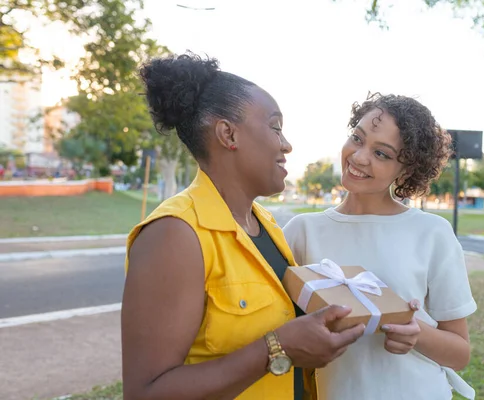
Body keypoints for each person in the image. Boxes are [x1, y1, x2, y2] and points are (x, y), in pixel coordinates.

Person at [121, 52, 365, 400]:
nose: (287, 144)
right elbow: (146, 392)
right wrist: (276, 350)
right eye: (276, 127)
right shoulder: (174, 234)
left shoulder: (265, 224)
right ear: (227, 134)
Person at [283, 93, 478, 400]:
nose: (359, 157)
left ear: (408, 168)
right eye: (357, 138)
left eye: (382, 154)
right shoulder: (300, 231)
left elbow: (460, 353)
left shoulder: (431, 232)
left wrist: (416, 332)